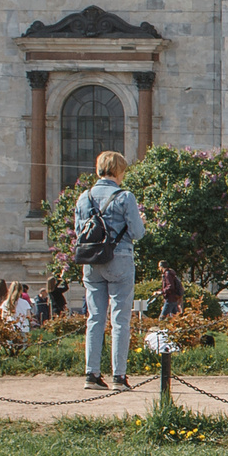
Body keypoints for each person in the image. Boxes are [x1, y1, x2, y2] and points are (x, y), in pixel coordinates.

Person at [72, 150, 145, 390]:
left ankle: (91, 375)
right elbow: (137, 232)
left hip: (92, 262)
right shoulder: (125, 196)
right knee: (120, 319)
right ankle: (119, 376)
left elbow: (78, 230)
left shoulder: (84, 197)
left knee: (95, 318)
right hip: (119, 259)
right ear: (119, 170)